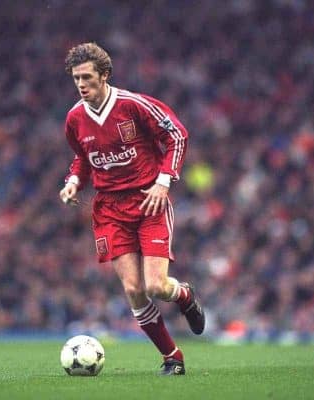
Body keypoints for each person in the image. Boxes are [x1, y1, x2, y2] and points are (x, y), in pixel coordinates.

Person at [59, 42, 205, 376]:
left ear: (104, 75)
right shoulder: (74, 119)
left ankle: (183, 295)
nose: (81, 84)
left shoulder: (134, 105)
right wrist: (72, 182)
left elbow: (177, 135)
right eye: (75, 78)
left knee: (156, 286)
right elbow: (82, 158)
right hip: (110, 209)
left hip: (148, 201)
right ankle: (173, 358)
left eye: (86, 77)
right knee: (133, 290)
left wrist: (164, 180)